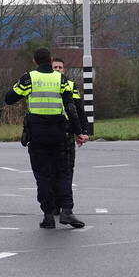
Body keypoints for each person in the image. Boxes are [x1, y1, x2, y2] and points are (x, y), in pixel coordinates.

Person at [5, 47, 88, 229]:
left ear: (35, 61)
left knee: (43, 175)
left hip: (37, 135)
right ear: (50, 61)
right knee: (63, 173)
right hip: (59, 134)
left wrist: (21, 83)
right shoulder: (61, 79)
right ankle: (67, 211)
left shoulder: (29, 78)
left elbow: (9, 98)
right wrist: (79, 132)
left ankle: (48, 216)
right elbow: (71, 108)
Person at [52, 57, 92, 218]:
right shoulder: (43, 84)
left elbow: (78, 109)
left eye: (60, 67)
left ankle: (63, 205)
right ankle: (55, 205)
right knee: (52, 171)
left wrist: (83, 131)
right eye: (54, 67)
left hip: (67, 132)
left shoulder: (70, 85)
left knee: (67, 170)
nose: (57, 69)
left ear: (64, 70)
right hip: (51, 132)